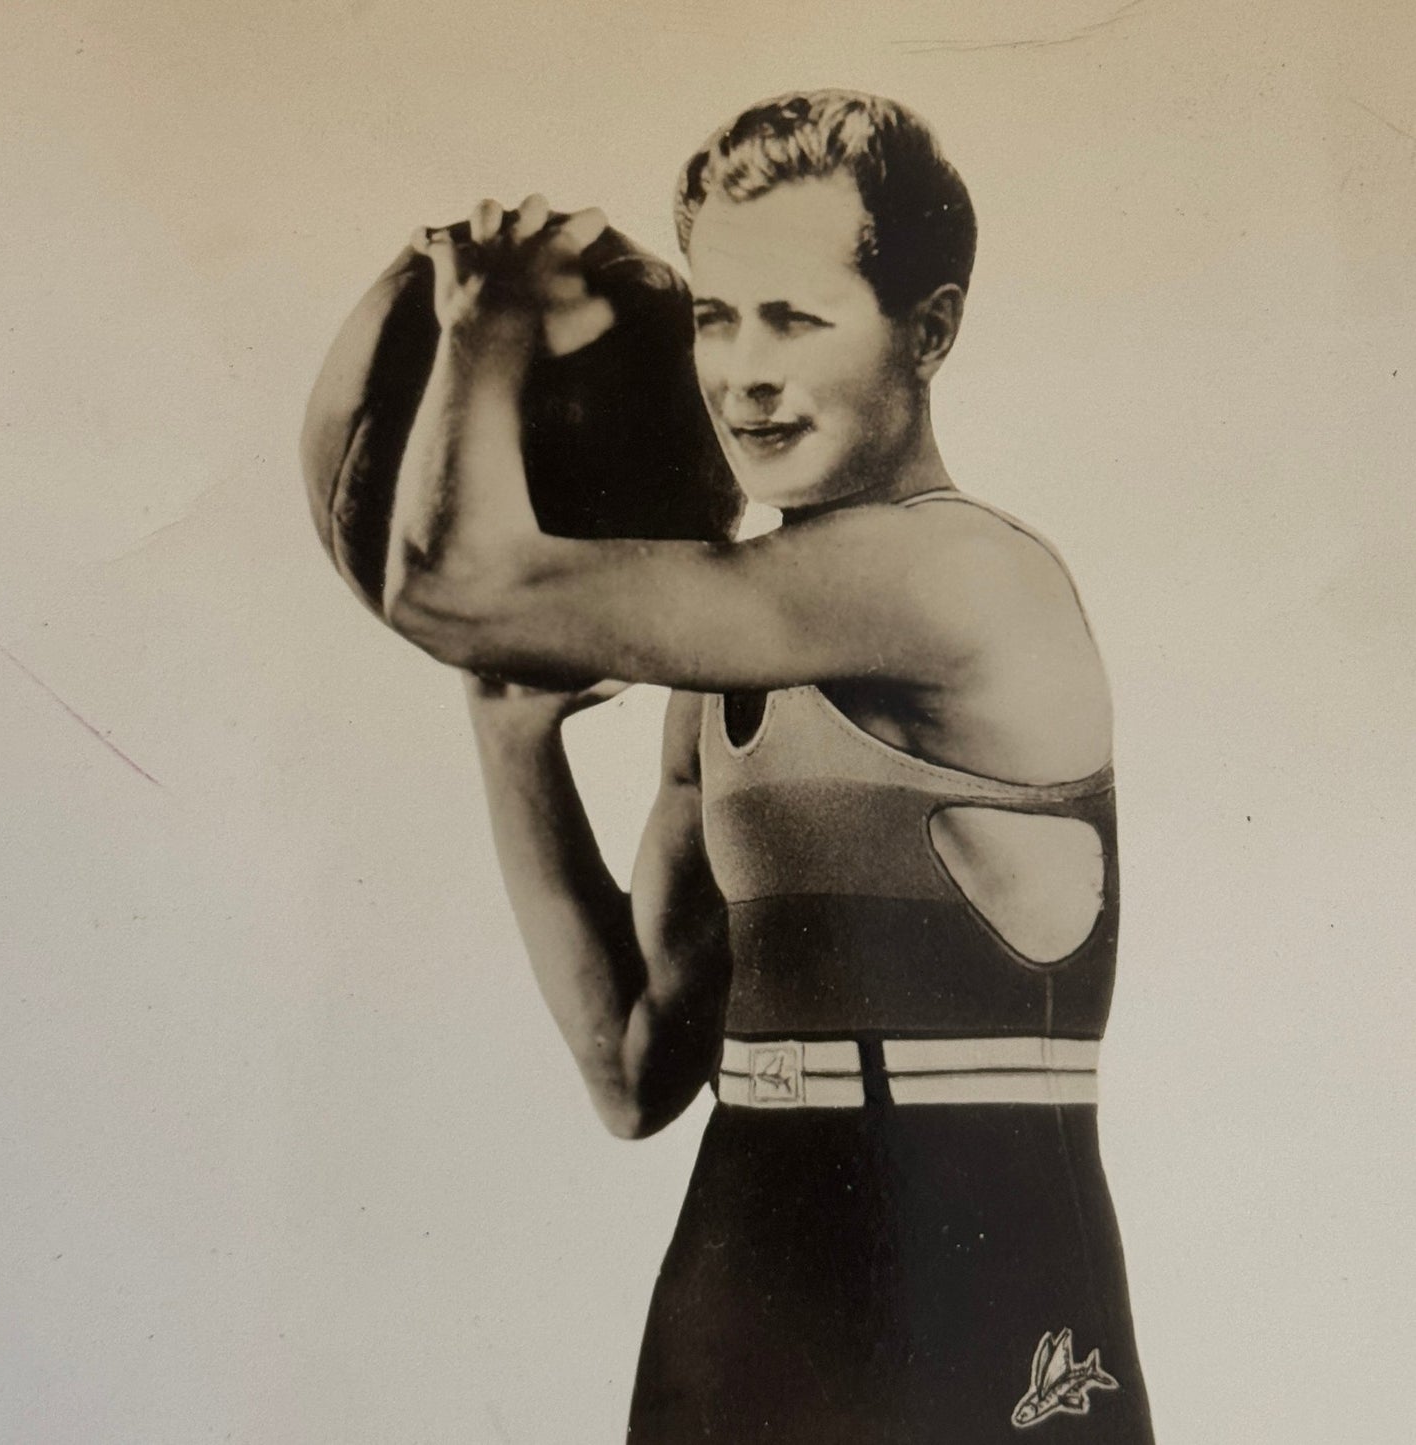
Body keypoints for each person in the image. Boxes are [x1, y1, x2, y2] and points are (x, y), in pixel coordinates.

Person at [384, 89, 1155, 1443]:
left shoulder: (958, 574)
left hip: (963, 1253)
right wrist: (508, 738)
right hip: (747, 1247)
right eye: (714, 314)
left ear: (928, 330)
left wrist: (489, 322)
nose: (743, 369)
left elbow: (450, 583)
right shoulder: (740, 644)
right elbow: (633, 1069)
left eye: (796, 319)